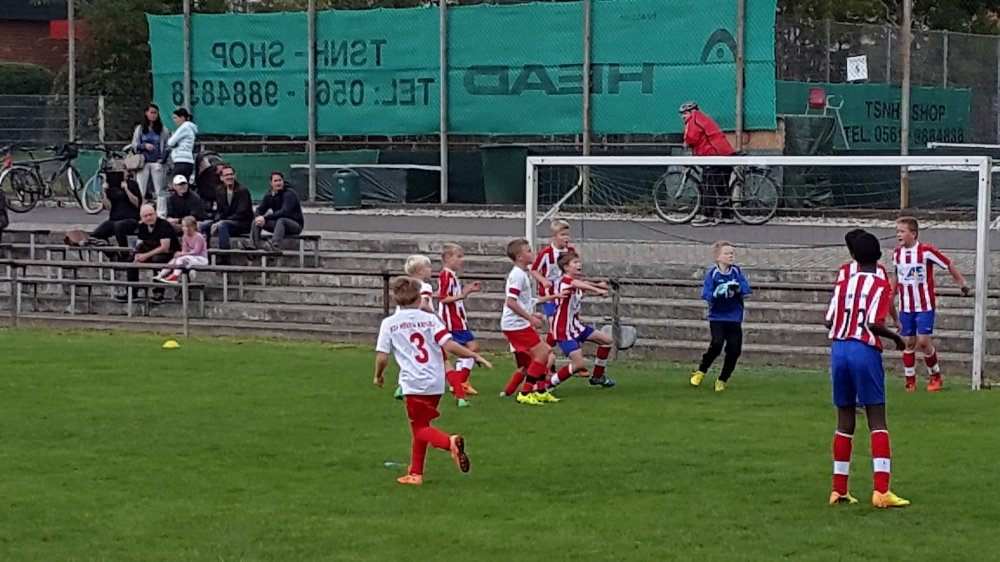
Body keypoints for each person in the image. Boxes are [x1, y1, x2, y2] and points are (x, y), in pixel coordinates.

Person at [374, 276, 492, 486]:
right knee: (422, 427)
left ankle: (450, 443)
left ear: (395, 299)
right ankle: (415, 473)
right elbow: (449, 345)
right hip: (436, 381)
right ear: (419, 297)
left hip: (413, 383)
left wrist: (378, 375)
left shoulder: (389, 323)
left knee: (420, 428)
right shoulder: (430, 319)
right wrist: (473, 355)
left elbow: (382, 357)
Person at [825, 231, 909, 508]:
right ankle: (882, 491)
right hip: (863, 349)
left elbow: (828, 321)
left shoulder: (843, 282)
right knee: (877, 419)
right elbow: (873, 324)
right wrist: (897, 339)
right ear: (880, 256)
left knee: (844, 420)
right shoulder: (881, 284)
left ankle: (839, 490)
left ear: (853, 257)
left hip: (839, 349)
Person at [891, 217, 971, 392]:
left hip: (924, 305)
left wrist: (961, 282)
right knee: (909, 342)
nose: (898, 235)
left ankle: (935, 375)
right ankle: (910, 380)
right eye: (897, 232)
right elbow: (896, 275)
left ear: (914, 234)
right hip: (906, 306)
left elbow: (947, 263)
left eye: (902, 231)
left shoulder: (926, 251)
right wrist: (891, 293)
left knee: (923, 341)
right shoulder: (897, 254)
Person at [501, 238, 563, 406]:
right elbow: (511, 302)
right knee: (542, 354)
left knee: (543, 353)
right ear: (519, 256)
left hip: (518, 322)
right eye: (528, 251)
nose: (532, 253)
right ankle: (526, 392)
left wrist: (534, 311)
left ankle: (540, 391)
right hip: (515, 324)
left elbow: (525, 301)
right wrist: (530, 318)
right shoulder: (518, 275)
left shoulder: (522, 274)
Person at [546, 251, 617, 389]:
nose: (579, 264)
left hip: (575, 326)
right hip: (563, 329)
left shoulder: (576, 281)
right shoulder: (565, 282)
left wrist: (599, 285)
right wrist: (597, 290)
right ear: (566, 267)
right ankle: (549, 384)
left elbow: (582, 282)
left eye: (579, 262)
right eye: (575, 262)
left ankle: (597, 377)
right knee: (579, 364)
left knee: (607, 341)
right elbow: (578, 284)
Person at [690, 241, 752, 392]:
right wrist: (717, 293)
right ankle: (701, 371)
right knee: (717, 344)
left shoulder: (736, 272)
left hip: (734, 317)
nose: (731, 256)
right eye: (727, 253)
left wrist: (738, 289)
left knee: (734, 350)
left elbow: (747, 291)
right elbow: (706, 295)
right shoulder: (712, 274)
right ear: (718, 257)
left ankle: (722, 379)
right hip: (717, 317)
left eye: (732, 253)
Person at [392, 254, 451, 401]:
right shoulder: (424, 286)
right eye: (428, 267)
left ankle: (402, 385)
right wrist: (436, 317)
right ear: (419, 270)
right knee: (435, 356)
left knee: (408, 355)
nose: (430, 270)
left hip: (401, 322)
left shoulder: (405, 286)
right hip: (418, 324)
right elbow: (423, 305)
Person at [438, 243, 483, 404]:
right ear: (448, 258)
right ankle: (459, 381)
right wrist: (464, 294)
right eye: (458, 256)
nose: (461, 260)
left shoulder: (451, 275)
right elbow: (443, 298)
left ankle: (459, 381)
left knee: (468, 349)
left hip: (458, 319)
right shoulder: (446, 275)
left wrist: (467, 290)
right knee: (471, 348)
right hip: (452, 321)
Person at [679, 101, 735, 227]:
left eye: (685, 114)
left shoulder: (694, 120)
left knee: (709, 185)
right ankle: (726, 215)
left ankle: (708, 216)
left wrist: (686, 141)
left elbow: (692, 138)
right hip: (724, 153)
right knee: (721, 185)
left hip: (714, 155)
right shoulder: (703, 118)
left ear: (692, 112)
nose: (683, 117)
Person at [836, 228, 899, 327]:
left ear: (852, 253)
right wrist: (895, 319)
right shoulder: (879, 271)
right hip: (871, 324)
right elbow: (887, 298)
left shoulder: (844, 271)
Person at [120, 204, 181, 304]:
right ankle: (132, 292)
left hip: (169, 254)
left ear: (155, 214)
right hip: (151, 252)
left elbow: (164, 248)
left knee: (157, 259)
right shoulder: (141, 227)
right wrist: (138, 254)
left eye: (151, 214)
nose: (149, 218)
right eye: (146, 216)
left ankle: (158, 292)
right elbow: (140, 243)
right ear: (141, 217)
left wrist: (145, 256)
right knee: (131, 260)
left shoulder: (164, 225)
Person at [529, 218, 575, 347]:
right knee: (555, 323)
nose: (567, 238)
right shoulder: (546, 253)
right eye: (563, 235)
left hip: (565, 293)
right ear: (554, 236)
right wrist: (543, 280)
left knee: (562, 325)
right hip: (549, 295)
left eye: (568, 235)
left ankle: (547, 349)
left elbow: (574, 270)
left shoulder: (570, 251)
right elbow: (534, 270)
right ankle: (547, 350)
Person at [244, 171, 304, 252]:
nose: (278, 183)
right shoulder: (269, 195)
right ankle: (254, 245)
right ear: (271, 183)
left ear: (283, 181)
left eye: (279, 180)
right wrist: (257, 217)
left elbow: (285, 212)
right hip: (278, 226)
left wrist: (265, 218)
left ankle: (275, 246)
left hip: (295, 225)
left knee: (281, 220)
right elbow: (260, 209)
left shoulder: (290, 193)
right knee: (257, 220)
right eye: (275, 181)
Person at [199, 164, 253, 251]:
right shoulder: (220, 190)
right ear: (221, 178)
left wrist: (220, 222)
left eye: (231, 174)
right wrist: (215, 221)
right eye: (226, 175)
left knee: (222, 225)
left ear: (235, 176)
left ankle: (224, 254)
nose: (229, 177)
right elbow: (220, 211)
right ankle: (203, 252)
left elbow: (242, 213)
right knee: (205, 224)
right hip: (226, 221)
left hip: (242, 223)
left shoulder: (242, 191)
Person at [131, 103, 170, 217]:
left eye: (156, 113)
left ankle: (161, 214)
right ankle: (141, 213)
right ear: (146, 113)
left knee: (160, 190)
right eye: (151, 113)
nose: (154, 115)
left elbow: (168, 146)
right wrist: (144, 146)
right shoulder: (140, 129)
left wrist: (162, 159)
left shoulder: (162, 129)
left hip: (157, 162)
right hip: (143, 163)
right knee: (141, 190)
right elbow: (134, 144)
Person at [91, 165, 142, 252]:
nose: (120, 171)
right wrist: (104, 192)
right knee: (97, 233)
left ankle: (125, 252)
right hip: (114, 219)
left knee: (119, 226)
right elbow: (108, 207)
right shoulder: (111, 185)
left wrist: (126, 190)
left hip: (131, 219)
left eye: (122, 169)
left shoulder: (132, 184)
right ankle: (111, 253)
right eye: (118, 170)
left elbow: (137, 203)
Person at [155, 216, 208, 284]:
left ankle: (175, 276)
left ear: (194, 226)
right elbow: (184, 249)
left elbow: (196, 251)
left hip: (200, 259)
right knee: (175, 259)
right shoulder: (185, 236)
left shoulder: (199, 237)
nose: (185, 228)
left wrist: (182, 254)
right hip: (189, 257)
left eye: (187, 226)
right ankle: (161, 275)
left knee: (181, 259)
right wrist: (180, 254)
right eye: (183, 226)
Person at [166, 108, 197, 182]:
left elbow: (170, 142)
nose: (174, 120)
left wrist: (173, 136)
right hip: (187, 161)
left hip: (181, 160)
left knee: (178, 184)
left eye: (176, 118)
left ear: (182, 118)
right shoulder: (189, 128)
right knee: (184, 184)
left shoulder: (184, 127)